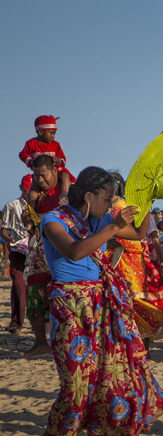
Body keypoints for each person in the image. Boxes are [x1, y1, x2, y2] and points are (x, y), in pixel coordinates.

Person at [30, 166, 163, 436]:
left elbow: (137, 234)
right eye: (106, 198)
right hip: (71, 306)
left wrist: (145, 205)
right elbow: (76, 251)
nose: (110, 204)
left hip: (103, 306)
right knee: (75, 385)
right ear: (89, 197)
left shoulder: (96, 220)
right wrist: (112, 226)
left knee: (108, 383)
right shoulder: (53, 221)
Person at [106, 173, 163, 343]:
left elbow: (130, 238)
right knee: (136, 303)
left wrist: (105, 240)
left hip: (125, 262)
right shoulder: (128, 206)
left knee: (128, 304)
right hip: (134, 261)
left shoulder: (118, 208)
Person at [21, 155, 65, 356]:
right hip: (39, 250)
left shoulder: (66, 189)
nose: (40, 180)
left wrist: (39, 217)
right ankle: (40, 342)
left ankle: (64, 341)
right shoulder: (35, 193)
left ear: (54, 171)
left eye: (43, 175)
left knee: (63, 296)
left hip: (63, 249)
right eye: (36, 176)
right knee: (34, 295)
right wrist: (28, 219)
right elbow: (29, 225)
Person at [18, 115, 74, 203]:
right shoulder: (31, 143)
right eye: (51, 133)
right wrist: (30, 161)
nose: (53, 136)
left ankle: (64, 194)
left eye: (54, 133)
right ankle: (31, 208)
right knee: (33, 190)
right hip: (40, 173)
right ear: (40, 132)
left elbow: (63, 158)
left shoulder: (55, 144)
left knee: (65, 175)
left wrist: (58, 160)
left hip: (55, 169)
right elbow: (22, 154)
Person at [2, 179, 30, 333]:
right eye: (26, 190)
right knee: (18, 285)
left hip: (35, 251)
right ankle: (16, 322)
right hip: (18, 250)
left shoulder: (40, 205)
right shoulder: (11, 206)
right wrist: (10, 239)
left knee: (37, 287)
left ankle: (40, 322)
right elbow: (4, 229)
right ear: (21, 188)